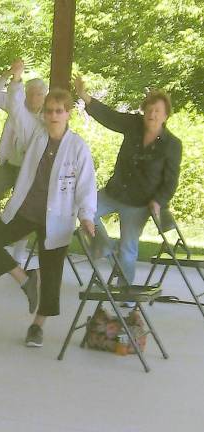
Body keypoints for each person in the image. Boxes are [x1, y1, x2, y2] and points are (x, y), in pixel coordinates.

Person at [0, 62, 96, 347]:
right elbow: (16, 108)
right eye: (50, 111)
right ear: (43, 113)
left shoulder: (77, 147)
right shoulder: (35, 134)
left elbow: (86, 185)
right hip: (26, 211)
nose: (54, 115)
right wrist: (16, 79)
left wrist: (86, 215)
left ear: (68, 113)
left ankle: (37, 327)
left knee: (52, 274)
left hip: (58, 218)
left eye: (59, 111)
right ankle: (25, 279)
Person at [75, 76, 182, 306]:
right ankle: (103, 245)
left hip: (140, 202)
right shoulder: (134, 125)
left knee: (128, 249)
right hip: (116, 191)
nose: (152, 114)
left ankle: (127, 295)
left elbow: (171, 181)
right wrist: (85, 96)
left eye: (157, 111)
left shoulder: (172, 145)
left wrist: (159, 200)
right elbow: (110, 117)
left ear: (165, 115)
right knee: (84, 209)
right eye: (149, 110)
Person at [0, 59, 48, 264]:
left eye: (39, 94)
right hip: (10, 163)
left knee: (24, 209)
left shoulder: (47, 117)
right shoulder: (15, 105)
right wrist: (9, 74)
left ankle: (19, 253)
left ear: (45, 96)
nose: (34, 97)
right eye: (30, 93)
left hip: (30, 169)